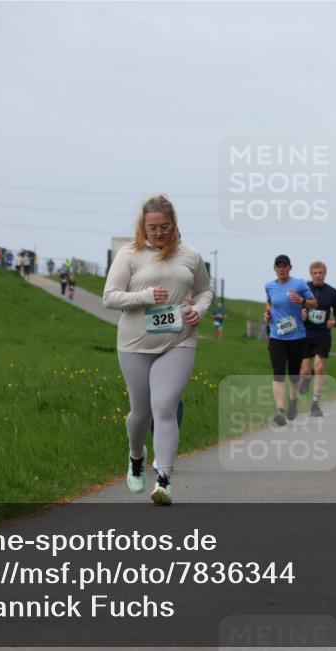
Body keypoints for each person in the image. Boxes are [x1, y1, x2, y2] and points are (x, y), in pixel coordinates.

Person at [103, 194, 212, 505]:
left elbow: (204, 291)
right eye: (153, 227)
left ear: (174, 225)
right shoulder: (129, 255)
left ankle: (164, 479)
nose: (159, 232)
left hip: (179, 339)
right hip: (135, 342)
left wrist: (200, 311)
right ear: (143, 225)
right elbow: (110, 297)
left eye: (164, 226)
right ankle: (136, 456)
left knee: (164, 407)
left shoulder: (191, 255)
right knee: (141, 412)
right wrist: (146, 296)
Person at [263, 255, 316, 425]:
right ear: (275, 269)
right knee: (278, 373)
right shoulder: (269, 286)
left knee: (294, 375)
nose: (281, 269)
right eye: (278, 266)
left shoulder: (299, 284)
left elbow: (314, 303)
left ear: (289, 268)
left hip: (297, 336)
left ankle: (293, 401)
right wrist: (267, 313)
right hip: (277, 336)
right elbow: (269, 303)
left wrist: (301, 301)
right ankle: (280, 410)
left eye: (284, 266)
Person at [298, 261, 336, 417]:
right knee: (304, 370)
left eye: (320, 272)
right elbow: (294, 306)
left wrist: (334, 321)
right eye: (315, 273)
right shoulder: (303, 289)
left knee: (320, 368)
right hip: (304, 334)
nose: (318, 275)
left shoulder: (332, 292)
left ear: (325, 273)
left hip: (323, 334)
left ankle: (315, 404)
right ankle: (306, 379)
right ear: (311, 274)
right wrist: (301, 313)